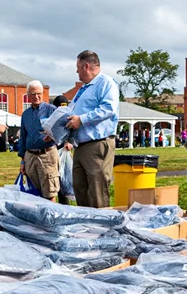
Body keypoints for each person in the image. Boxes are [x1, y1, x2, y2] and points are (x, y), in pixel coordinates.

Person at [63, 51, 118, 207]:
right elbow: (71, 112)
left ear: (86, 66)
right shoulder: (84, 88)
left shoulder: (106, 83)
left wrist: (82, 119)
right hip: (80, 144)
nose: (77, 72)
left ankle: (101, 228)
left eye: (78, 67)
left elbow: (109, 109)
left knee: (97, 191)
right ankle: (86, 226)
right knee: (80, 189)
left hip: (97, 144)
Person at [17, 80, 60, 201]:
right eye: (32, 94)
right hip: (30, 156)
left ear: (43, 93)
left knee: (49, 191)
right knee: (33, 193)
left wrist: (54, 137)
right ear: (28, 95)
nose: (36, 96)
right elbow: (23, 137)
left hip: (47, 155)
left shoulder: (51, 110)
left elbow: (62, 130)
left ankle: (51, 217)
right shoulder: (26, 114)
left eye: (38, 93)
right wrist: (23, 161)